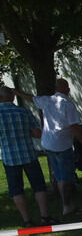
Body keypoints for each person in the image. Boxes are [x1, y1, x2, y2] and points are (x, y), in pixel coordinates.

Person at [17, 78, 82, 218]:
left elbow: (31, 98)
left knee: (58, 174)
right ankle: (67, 206)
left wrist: (17, 92)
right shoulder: (67, 105)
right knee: (66, 177)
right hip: (62, 144)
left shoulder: (47, 100)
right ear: (66, 89)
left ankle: (65, 203)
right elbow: (74, 126)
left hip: (48, 143)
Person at [0, 86, 52, 226]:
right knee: (39, 186)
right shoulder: (23, 111)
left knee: (16, 190)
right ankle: (44, 217)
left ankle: (27, 220)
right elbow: (37, 134)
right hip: (28, 153)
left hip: (9, 157)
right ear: (12, 97)